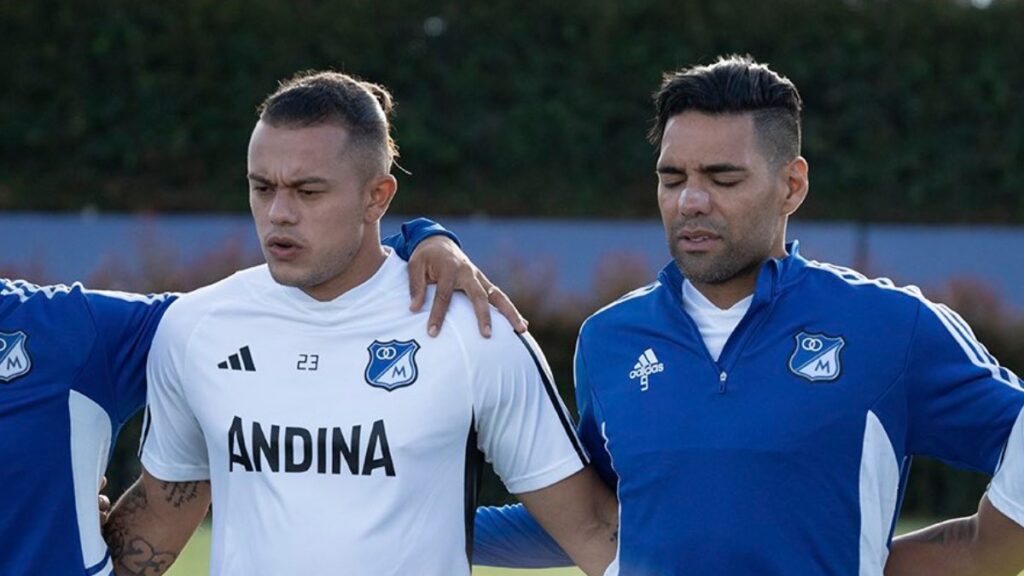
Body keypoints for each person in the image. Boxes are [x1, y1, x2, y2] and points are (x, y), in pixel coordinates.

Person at [470, 55, 1024, 575]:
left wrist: (981, 550)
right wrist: (416, 518)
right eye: (672, 179)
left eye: (722, 179)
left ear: (792, 186)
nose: (691, 201)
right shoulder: (609, 339)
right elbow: (595, 519)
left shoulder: (891, 327)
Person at [102, 71, 618, 576]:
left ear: (378, 197)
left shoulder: (471, 331)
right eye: (262, 188)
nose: (279, 213)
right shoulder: (196, 327)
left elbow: (593, 530)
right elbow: (163, 509)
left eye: (308, 192)